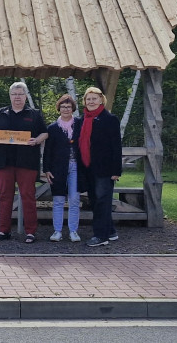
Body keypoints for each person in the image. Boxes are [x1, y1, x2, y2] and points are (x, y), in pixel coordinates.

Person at [0, 82, 48, 243]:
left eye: (20, 94)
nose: (17, 97)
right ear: (10, 96)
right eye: (14, 94)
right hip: (5, 160)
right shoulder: (1, 113)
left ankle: (30, 232)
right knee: (4, 196)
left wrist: (36, 140)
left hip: (27, 161)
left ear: (25, 96)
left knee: (28, 197)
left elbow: (45, 133)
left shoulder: (35, 114)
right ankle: (4, 231)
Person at [75, 86, 122, 247]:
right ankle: (110, 231)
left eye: (94, 98)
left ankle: (100, 236)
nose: (91, 101)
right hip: (88, 167)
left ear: (101, 99)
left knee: (102, 201)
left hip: (105, 169)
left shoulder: (110, 119)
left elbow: (116, 146)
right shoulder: (81, 120)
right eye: (88, 99)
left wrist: (116, 170)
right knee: (95, 201)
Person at [43, 94, 83, 243]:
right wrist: (46, 169)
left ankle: (73, 231)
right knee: (58, 200)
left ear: (73, 108)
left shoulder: (80, 124)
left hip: (76, 167)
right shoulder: (53, 128)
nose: (66, 109)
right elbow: (48, 150)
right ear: (58, 108)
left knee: (74, 199)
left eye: (68, 106)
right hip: (58, 168)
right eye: (63, 106)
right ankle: (57, 231)